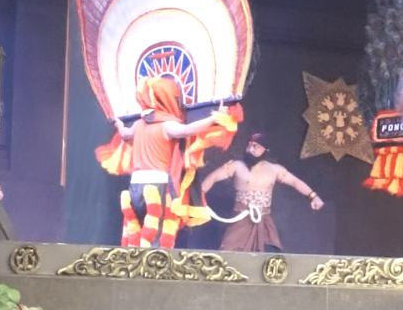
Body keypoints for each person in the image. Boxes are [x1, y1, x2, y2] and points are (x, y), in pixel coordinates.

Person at [97, 76, 238, 248]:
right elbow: (188, 130)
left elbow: (125, 134)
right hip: (157, 186)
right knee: (156, 237)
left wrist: (119, 124)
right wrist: (214, 118)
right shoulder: (166, 125)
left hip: (135, 187)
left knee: (137, 232)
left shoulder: (139, 124)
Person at [201, 133, 324, 252]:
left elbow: (295, 182)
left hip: (264, 221)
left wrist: (313, 196)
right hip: (240, 219)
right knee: (229, 254)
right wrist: (199, 199)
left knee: (270, 256)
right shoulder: (236, 166)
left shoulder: (275, 169)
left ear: (265, 149)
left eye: (255, 146)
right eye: (249, 145)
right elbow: (212, 177)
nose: (250, 149)